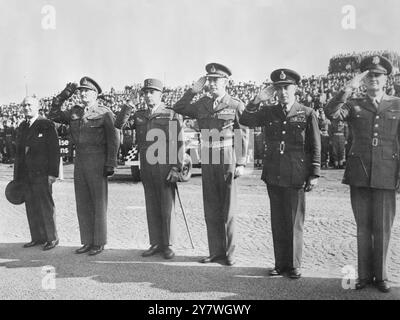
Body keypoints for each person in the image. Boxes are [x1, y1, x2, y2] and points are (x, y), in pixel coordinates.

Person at [325, 55, 398, 293]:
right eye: (369, 76)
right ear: (363, 80)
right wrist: (347, 88)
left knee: (383, 228)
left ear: (386, 79)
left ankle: (382, 276)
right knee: (363, 227)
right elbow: (331, 112)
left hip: (387, 173)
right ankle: (365, 275)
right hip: (360, 173)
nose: (373, 80)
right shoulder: (354, 103)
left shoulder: (397, 104)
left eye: (378, 76)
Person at [240, 69, 321, 279]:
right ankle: (280, 263)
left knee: (294, 221)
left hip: (296, 173)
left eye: (287, 87)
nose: (283, 92)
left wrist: (314, 173)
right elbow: (246, 120)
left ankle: (294, 265)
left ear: (295, 89)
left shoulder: (307, 112)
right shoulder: (269, 111)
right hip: (274, 172)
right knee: (278, 220)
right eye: (279, 88)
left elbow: (314, 145)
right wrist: (257, 99)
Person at [173, 63, 249, 266]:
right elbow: (179, 108)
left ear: (226, 82)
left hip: (226, 156)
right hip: (207, 156)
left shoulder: (234, 104)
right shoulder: (201, 104)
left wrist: (241, 162)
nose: (213, 83)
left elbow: (242, 133)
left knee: (228, 208)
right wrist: (192, 91)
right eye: (210, 79)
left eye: (217, 80)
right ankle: (215, 251)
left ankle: (229, 253)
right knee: (211, 206)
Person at [49, 77, 119, 256]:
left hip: (98, 160)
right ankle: (87, 241)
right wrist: (64, 95)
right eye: (80, 91)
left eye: (86, 91)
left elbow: (113, 139)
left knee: (98, 202)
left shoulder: (105, 113)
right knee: (83, 202)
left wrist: (111, 162)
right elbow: (54, 114)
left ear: (95, 94)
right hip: (80, 160)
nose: (82, 94)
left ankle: (99, 242)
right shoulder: (75, 111)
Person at [115, 79, 183, 259]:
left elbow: (178, 142)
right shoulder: (139, 114)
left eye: (151, 92)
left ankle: (167, 244)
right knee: (151, 204)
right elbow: (118, 124)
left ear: (161, 94)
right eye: (145, 92)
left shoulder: (170, 114)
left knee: (166, 205)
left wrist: (177, 167)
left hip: (165, 164)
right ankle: (155, 242)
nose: (147, 95)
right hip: (146, 164)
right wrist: (128, 105)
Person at [13, 96, 60, 250]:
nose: (26, 108)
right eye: (24, 105)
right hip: (26, 174)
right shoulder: (22, 126)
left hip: (42, 173)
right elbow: (19, 153)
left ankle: (51, 238)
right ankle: (37, 237)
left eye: (29, 105)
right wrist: (17, 177)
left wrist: (53, 174)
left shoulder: (46, 124)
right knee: (31, 206)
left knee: (45, 206)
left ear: (37, 106)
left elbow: (54, 151)